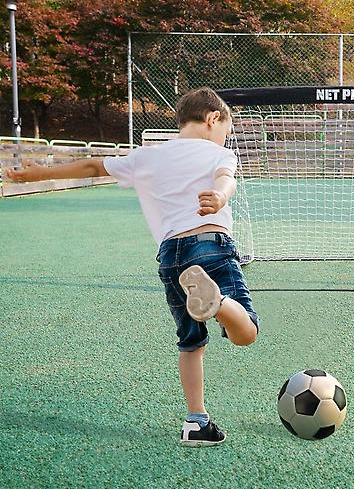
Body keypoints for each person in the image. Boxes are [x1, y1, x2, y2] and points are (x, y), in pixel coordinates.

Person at [5, 87, 259, 447]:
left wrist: (37, 174)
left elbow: (92, 165)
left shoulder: (148, 156)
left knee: (190, 343)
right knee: (246, 333)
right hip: (210, 245)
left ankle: (196, 421)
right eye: (225, 131)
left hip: (171, 256)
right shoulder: (218, 153)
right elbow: (225, 179)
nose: (224, 138)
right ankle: (217, 303)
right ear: (213, 118)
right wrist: (219, 196)